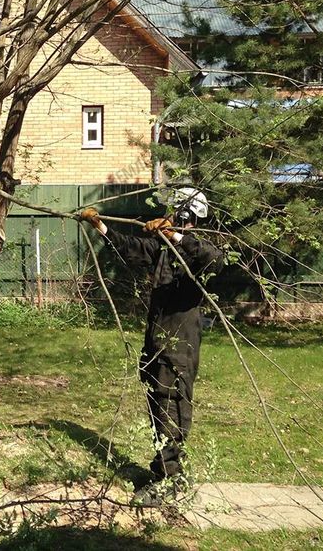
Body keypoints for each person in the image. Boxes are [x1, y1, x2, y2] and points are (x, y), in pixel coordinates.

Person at [81, 187, 224, 506]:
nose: (169, 217)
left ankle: (171, 481)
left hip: (179, 351)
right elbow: (129, 248)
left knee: (172, 411)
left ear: (187, 217)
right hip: (156, 346)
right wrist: (99, 227)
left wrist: (174, 236)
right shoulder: (162, 250)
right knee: (159, 410)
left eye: (175, 213)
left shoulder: (196, 254)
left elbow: (215, 259)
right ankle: (162, 471)